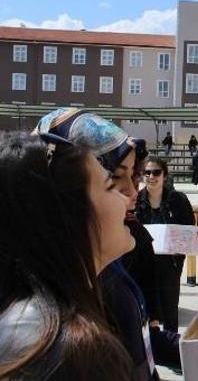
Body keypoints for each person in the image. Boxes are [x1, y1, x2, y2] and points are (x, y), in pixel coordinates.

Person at [33, 108, 182, 378]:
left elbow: (140, 340)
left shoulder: (108, 269)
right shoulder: (50, 332)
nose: (129, 192)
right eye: (112, 179)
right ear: (70, 195)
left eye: (132, 176)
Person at [0, 131, 133, 379]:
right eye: (110, 185)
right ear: (70, 217)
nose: (125, 198)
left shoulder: (27, 322)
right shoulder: (75, 353)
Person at [136, 157, 195, 333]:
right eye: (147, 173)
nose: (151, 176)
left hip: (171, 265)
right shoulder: (136, 201)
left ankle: (171, 348)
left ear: (165, 176)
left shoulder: (178, 200)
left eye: (156, 172)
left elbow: (191, 231)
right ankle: (151, 350)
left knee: (170, 310)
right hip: (144, 265)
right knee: (148, 312)